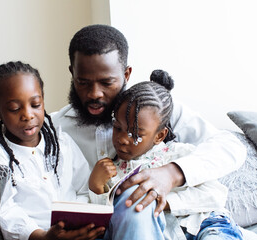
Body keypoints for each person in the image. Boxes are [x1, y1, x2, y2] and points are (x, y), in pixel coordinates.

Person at [51, 24, 246, 216]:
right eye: (83, 82)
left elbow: (230, 147)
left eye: (106, 82)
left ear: (126, 74)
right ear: (72, 74)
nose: (94, 94)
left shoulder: (157, 111)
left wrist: (172, 173)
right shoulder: (53, 129)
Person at [0, 61, 105, 240]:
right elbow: (6, 211)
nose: (27, 115)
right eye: (15, 108)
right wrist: (42, 236)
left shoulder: (61, 141)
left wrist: (77, 221)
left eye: (35, 104)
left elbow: (83, 187)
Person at [88, 70, 243, 240]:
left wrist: (166, 202)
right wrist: (96, 187)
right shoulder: (111, 170)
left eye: (135, 134)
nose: (123, 139)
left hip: (205, 224)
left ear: (159, 136)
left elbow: (215, 195)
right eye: (117, 128)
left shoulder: (178, 154)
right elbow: (109, 219)